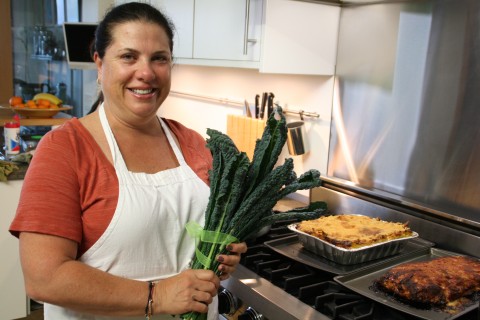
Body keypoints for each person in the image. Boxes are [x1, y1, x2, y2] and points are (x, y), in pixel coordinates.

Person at [9, 2, 247, 319]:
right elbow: (44, 277)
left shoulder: (192, 144)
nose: (146, 72)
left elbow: (195, 241)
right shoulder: (64, 150)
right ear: (99, 63)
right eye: (128, 56)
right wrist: (156, 296)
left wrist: (220, 254)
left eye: (159, 58)